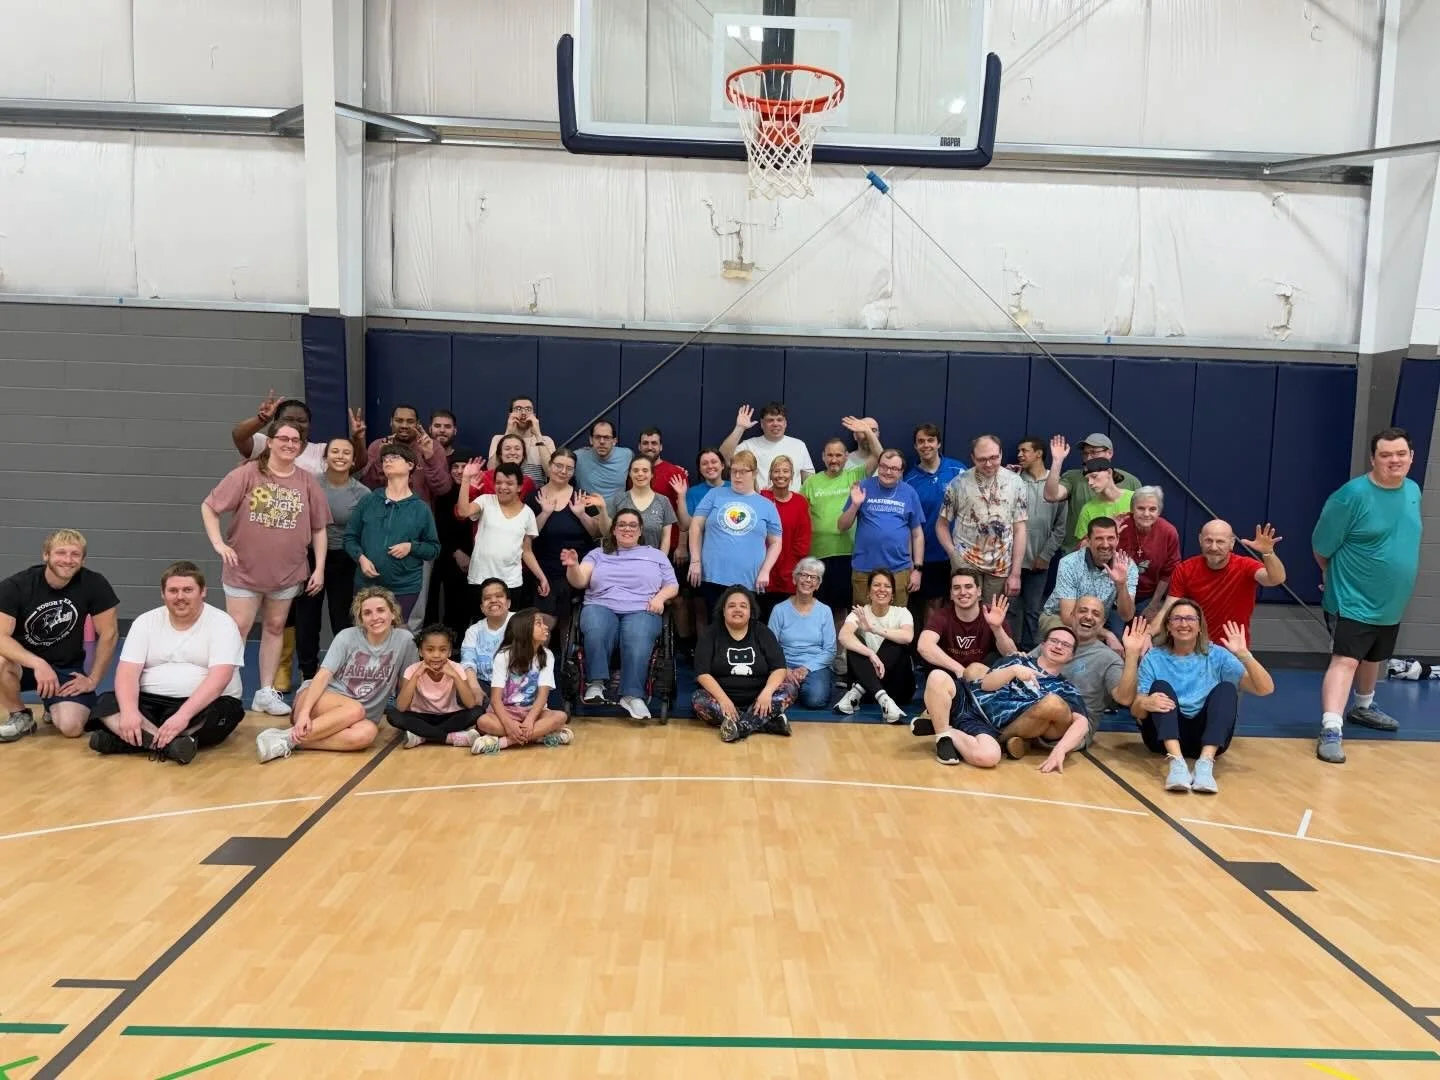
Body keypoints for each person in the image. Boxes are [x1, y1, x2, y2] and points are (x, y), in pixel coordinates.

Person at [202, 419, 329, 716]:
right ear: (269, 442)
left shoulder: (307, 481)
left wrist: (319, 567)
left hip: (286, 573)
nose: (288, 444)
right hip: (244, 571)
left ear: (300, 447)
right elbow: (209, 506)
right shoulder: (247, 473)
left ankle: (265, 692)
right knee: (238, 630)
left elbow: (319, 528)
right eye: (282, 438)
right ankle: (227, 691)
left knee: (274, 628)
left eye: (295, 440)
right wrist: (219, 544)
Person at [1312, 426, 1423, 764]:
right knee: (1346, 659)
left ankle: (1363, 708)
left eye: (1400, 454)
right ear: (1373, 459)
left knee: (1375, 656)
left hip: (1391, 601)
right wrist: (1334, 579)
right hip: (1352, 597)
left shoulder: (1413, 490)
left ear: (1411, 457)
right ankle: (1331, 728)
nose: (1394, 460)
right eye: (1386, 455)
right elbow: (1321, 546)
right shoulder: (1351, 496)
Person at [86, 561, 245, 764]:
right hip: (150, 703)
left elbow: (219, 679)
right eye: (173, 591)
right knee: (106, 703)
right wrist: (129, 712)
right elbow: (127, 673)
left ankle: (128, 741)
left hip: (203, 706)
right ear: (163, 594)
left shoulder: (222, 624)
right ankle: (171, 746)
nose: (180, 597)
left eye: (188, 590)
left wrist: (183, 716)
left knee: (221, 714)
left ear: (202, 591)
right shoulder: (145, 622)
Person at [1113, 601, 1274, 794]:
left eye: (1190, 618)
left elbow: (1265, 689)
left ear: (1199, 627)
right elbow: (1136, 710)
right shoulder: (1154, 657)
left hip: (1204, 736)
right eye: (1177, 618)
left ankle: (1205, 764)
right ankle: (1177, 763)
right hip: (1161, 739)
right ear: (1168, 626)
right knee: (1160, 687)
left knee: (1227, 690)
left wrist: (1244, 654)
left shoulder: (1217, 655)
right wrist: (1145, 702)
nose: (1183, 623)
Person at [256, 587, 418, 763]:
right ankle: (288, 737)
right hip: (317, 701)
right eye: (367, 613)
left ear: (393, 614)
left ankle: (288, 740)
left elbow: (406, 685)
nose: (375, 617)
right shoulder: (347, 637)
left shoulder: (405, 640)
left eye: (381, 610)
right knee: (354, 708)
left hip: (359, 718)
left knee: (367, 734)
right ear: (361, 619)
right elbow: (323, 675)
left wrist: (417, 723)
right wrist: (304, 713)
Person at [0, 529, 120, 742]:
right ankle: (20, 715)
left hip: (66, 669)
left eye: (75, 554)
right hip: (22, 666)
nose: (67, 560)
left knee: (71, 728)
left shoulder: (94, 583)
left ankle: (52, 704)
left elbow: (109, 633)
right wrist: (37, 663)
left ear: (83, 560)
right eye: (60, 553)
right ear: (46, 555)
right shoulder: (16, 586)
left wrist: (93, 679)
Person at [563, 509, 680, 720]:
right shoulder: (597, 553)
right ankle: (596, 684)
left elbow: (672, 585)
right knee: (596, 627)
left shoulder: (656, 555)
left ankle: (632, 695)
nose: (627, 528)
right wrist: (573, 566)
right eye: (622, 525)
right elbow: (580, 581)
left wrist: (660, 598)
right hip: (600, 604)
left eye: (632, 525)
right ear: (614, 530)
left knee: (637, 636)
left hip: (642, 608)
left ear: (640, 530)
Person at [924, 626, 1091, 771]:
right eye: (1054, 641)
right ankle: (943, 738)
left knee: (988, 757)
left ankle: (942, 727)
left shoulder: (1066, 688)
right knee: (937, 677)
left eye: (1066, 645)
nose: (1058, 646)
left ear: (1071, 656)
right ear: (1043, 644)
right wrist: (1013, 670)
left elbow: (1082, 723)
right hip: (967, 699)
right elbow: (986, 684)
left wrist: (1060, 750)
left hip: (986, 725)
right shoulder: (1018, 659)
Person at [294, 437, 370, 680]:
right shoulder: (310, 484)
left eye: (346, 452)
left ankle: (343, 671)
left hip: (344, 560)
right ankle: (308, 672)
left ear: (353, 459)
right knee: (307, 619)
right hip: (310, 558)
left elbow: (364, 531)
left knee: (342, 618)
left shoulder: (362, 493)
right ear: (325, 458)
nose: (340, 456)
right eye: (334, 451)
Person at [343, 441, 441, 621]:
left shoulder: (420, 508)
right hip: (367, 584)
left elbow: (433, 549)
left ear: (410, 465)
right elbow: (350, 537)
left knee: (395, 635)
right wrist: (361, 558)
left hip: (404, 586)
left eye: (394, 457)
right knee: (366, 633)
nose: (388, 461)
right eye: (385, 458)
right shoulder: (369, 500)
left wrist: (411, 547)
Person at [913, 567, 1018, 733]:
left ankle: (938, 721)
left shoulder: (992, 614)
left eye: (968, 587)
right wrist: (960, 670)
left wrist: (997, 629)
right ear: (951, 594)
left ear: (979, 591)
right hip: (950, 683)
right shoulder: (942, 616)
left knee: (993, 665)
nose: (963, 592)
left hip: (981, 684)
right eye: (957, 588)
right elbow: (924, 645)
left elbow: (1012, 654)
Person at [691, 586, 798, 742]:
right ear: (723, 610)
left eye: (743, 606)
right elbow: (702, 673)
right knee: (698, 700)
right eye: (732, 606)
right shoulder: (710, 633)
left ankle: (740, 727)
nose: (737, 610)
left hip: (759, 699)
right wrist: (723, 699)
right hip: (723, 698)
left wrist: (767, 692)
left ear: (750, 611)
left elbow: (779, 668)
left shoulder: (762, 632)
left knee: (789, 689)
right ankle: (766, 723)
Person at [687, 449, 783, 617]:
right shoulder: (715, 494)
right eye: (733, 471)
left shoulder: (767, 505)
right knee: (715, 625)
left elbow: (776, 542)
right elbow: (696, 526)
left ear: (754, 473)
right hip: (713, 575)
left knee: (744, 627)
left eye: (743, 472)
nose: (737, 476)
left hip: (749, 580)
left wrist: (765, 570)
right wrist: (695, 561)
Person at [935, 434, 1028, 604]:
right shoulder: (958, 484)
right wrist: (953, 553)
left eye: (994, 457)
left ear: (1001, 454)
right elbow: (941, 525)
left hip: (1000, 566)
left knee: (993, 616)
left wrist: (1016, 573)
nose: (988, 464)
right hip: (965, 561)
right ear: (972, 458)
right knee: (964, 612)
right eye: (982, 459)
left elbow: (1020, 529)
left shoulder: (1016, 483)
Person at [472, 608, 573, 753]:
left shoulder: (547, 655)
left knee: (560, 716)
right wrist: (509, 724)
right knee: (483, 721)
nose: (545, 627)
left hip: (533, 712)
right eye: (539, 624)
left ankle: (504, 742)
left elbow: (542, 696)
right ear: (524, 629)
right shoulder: (504, 655)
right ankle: (538, 737)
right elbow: (495, 700)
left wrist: (530, 721)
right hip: (505, 712)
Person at [527, 448, 602, 634]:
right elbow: (527, 537)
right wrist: (544, 513)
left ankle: (567, 662)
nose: (563, 471)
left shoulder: (582, 497)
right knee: (543, 624)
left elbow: (596, 533)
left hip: (577, 569)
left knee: (569, 626)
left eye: (569, 468)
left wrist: (582, 514)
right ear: (549, 466)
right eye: (558, 466)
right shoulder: (534, 497)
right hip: (544, 570)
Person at [838, 448, 925, 608]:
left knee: (897, 621)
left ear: (901, 471)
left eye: (894, 468)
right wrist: (855, 505)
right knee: (862, 622)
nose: (887, 471)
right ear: (878, 466)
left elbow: (917, 534)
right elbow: (842, 526)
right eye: (884, 466)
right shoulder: (863, 487)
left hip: (898, 570)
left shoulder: (909, 492)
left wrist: (917, 569)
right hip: (864, 568)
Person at [458, 461, 546, 610]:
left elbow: (527, 551)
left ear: (519, 487)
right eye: (498, 482)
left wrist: (541, 577)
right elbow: (463, 511)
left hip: (511, 582)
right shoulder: (485, 500)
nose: (503, 487)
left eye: (509, 483)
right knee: (479, 626)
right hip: (480, 579)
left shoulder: (528, 513)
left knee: (509, 629)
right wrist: (466, 479)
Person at [834, 569, 916, 724]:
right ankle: (884, 701)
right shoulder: (859, 612)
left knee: (895, 640)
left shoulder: (902, 613)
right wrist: (870, 654)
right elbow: (843, 636)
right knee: (855, 640)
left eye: (887, 586)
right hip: (870, 689)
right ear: (869, 592)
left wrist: (873, 629)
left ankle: (857, 692)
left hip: (897, 688)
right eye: (877, 585)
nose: (882, 589)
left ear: (893, 593)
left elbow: (908, 636)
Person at [386, 625, 486, 749]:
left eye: (443, 650)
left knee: (477, 711)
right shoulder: (412, 670)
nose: (436, 655)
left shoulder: (456, 668)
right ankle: (448, 738)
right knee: (393, 715)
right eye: (430, 650)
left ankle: (422, 736)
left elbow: (470, 703)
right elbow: (401, 706)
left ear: (449, 652)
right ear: (421, 652)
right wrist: (416, 675)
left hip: (449, 716)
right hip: (421, 716)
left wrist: (455, 676)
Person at [767, 557, 837, 710]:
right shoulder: (779, 610)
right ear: (794, 579)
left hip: (815, 666)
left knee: (815, 699)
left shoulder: (825, 611)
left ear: (818, 585)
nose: (808, 580)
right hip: (784, 665)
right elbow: (770, 647)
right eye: (803, 575)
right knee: (770, 697)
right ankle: (794, 688)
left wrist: (806, 668)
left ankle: (797, 690)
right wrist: (785, 669)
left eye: (814, 577)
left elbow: (830, 651)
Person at [759, 455, 812, 618]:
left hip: (789, 572)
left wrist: (792, 564)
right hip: (763, 570)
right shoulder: (762, 498)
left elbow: (804, 538)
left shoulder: (800, 502)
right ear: (770, 474)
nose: (781, 475)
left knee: (786, 619)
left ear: (792, 475)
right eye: (776, 471)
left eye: (785, 471)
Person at [719, 402, 816, 488]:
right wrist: (740, 428)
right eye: (770, 420)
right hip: (759, 503)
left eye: (779, 420)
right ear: (762, 424)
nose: (775, 424)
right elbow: (723, 458)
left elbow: (809, 480)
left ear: (785, 423)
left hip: (791, 504)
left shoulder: (799, 445)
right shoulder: (749, 445)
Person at [600, 456, 678, 555]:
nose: (640, 474)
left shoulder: (663, 501)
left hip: (651, 563)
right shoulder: (618, 499)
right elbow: (607, 532)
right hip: (620, 561)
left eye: (645, 471)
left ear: (652, 474)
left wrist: (661, 562)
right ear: (630, 474)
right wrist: (602, 509)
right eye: (635, 470)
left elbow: (666, 538)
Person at [488, 396, 554, 487]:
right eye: (518, 409)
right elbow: (491, 470)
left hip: (536, 496)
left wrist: (538, 435)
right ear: (510, 414)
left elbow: (551, 473)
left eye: (528, 409)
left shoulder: (546, 441)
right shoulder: (498, 439)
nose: (523, 413)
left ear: (534, 415)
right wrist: (508, 433)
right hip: (505, 493)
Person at [459, 578, 513, 691]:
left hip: (514, 686)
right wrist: (475, 690)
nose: (493, 600)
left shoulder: (521, 623)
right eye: (487, 598)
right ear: (482, 608)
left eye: (499, 596)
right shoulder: (473, 631)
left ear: (508, 603)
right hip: (483, 684)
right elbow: (468, 662)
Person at [574, 419, 634, 502]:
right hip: (588, 511)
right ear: (591, 440)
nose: (602, 442)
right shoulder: (578, 457)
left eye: (606, 437)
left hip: (618, 511)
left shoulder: (627, 455)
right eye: (597, 437)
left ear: (614, 441)